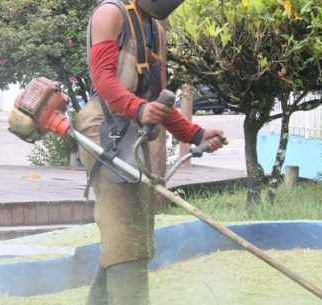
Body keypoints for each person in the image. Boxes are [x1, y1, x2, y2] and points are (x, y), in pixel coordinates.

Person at [77, 1, 225, 304]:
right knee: (126, 229)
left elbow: (157, 100)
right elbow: (103, 79)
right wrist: (139, 108)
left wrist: (193, 133)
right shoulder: (110, 14)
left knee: (135, 228)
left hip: (132, 132)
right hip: (103, 130)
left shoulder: (156, 29)